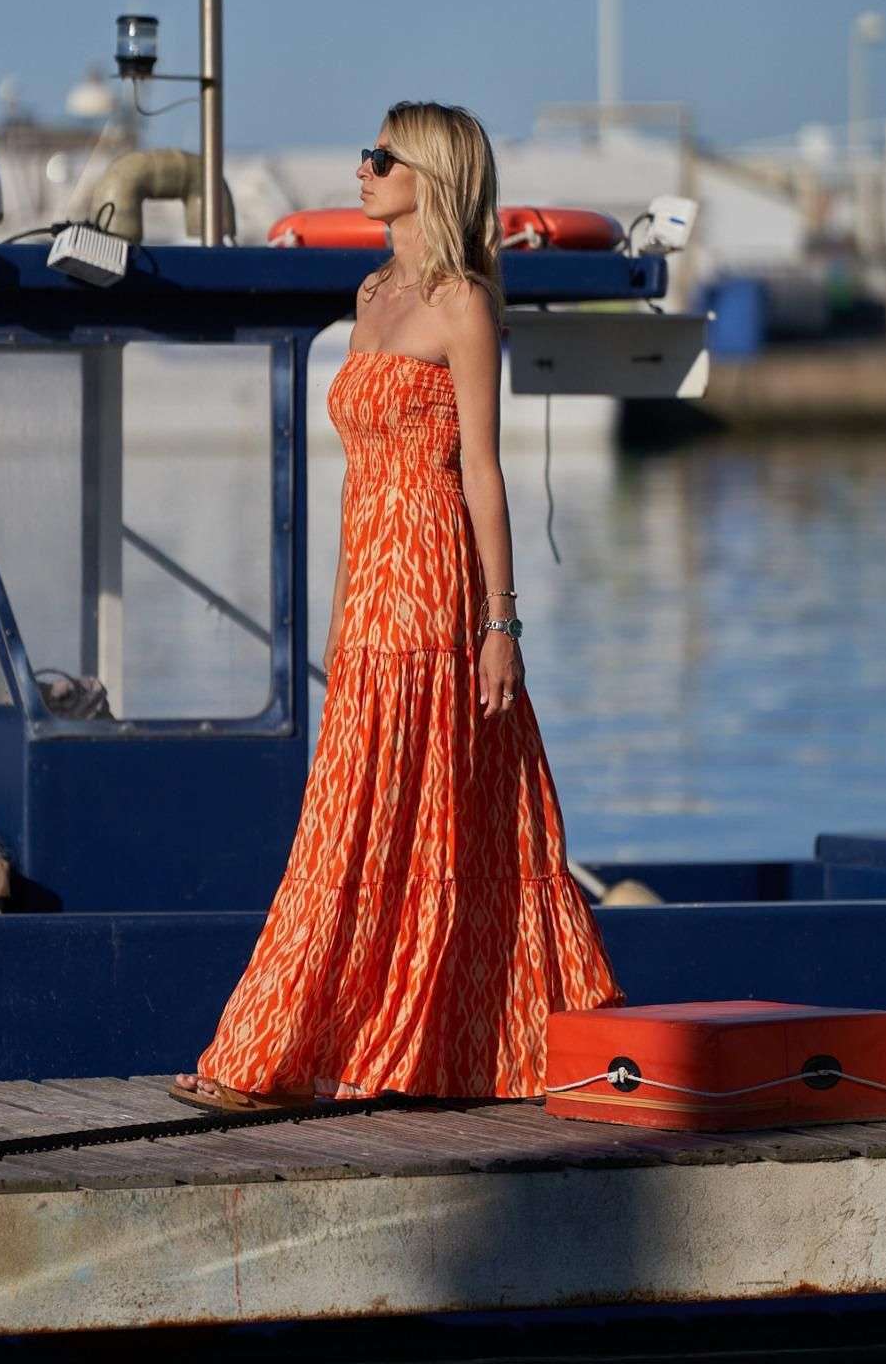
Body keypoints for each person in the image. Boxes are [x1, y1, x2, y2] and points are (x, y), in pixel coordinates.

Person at [172, 100, 626, 1111]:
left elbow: (482, 473)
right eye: (366, 150)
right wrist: (335, 617)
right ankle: (308, 1044)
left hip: (433, 586)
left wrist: (501, 625)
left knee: (403, 829)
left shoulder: (463, 300)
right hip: (368, 589)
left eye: (383, 155)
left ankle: (328, 1050)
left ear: (431, 173)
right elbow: (354, 481)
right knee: (345, 826)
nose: (363, 165)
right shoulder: (371, 289)